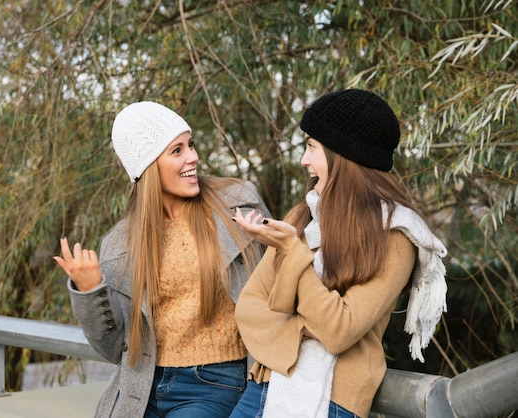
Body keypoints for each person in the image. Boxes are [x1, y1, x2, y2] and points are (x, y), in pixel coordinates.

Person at [229, 89, 448, 418]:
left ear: (343, 156)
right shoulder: (302, 218)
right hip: (264, 386)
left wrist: (293, 253)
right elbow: (249, 309)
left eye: (311, 146)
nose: (304, 160)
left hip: (334, 400)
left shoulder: (395, 236)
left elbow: (337, 330)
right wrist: (305, 327)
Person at [54, 101, 271, 418]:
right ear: (147, 167)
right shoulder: (120, 244)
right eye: (177, 150)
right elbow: (114, 348)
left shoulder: (236, 203)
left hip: (217, 383)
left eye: (190, 145)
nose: (193, 157)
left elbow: (279, 281)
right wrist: (91, 291)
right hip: (143, 388)